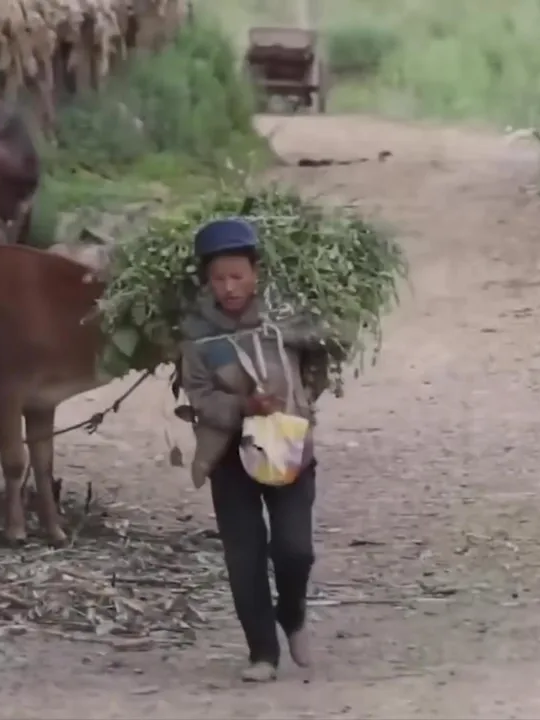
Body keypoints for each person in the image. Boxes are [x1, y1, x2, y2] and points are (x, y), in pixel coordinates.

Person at [178, 217, 330, 682]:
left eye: (237, 276)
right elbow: (200, 396)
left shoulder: (287, 319)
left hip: (288, 448)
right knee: (244, 557)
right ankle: (262, 653)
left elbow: (320, 358)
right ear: (207, 281)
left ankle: (292, 612)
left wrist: (298, 403)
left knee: (295, 550)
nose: (229, 287)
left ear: (255, 273)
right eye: (219, 278)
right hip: (229, 455)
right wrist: (244, 407)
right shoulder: (198, 336)